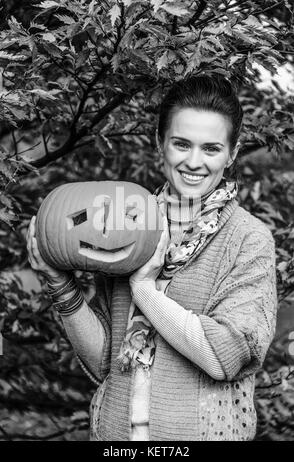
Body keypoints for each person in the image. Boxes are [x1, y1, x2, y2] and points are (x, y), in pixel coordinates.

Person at [26, 74, 277, 441]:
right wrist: (61, 287)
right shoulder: (122, 224)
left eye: (211, 148)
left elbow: (226, 358)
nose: (194, 161)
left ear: (233, 152)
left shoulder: (248, 239)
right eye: (181, 144)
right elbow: (104, 364)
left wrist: (144, 289)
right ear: (160, 143)